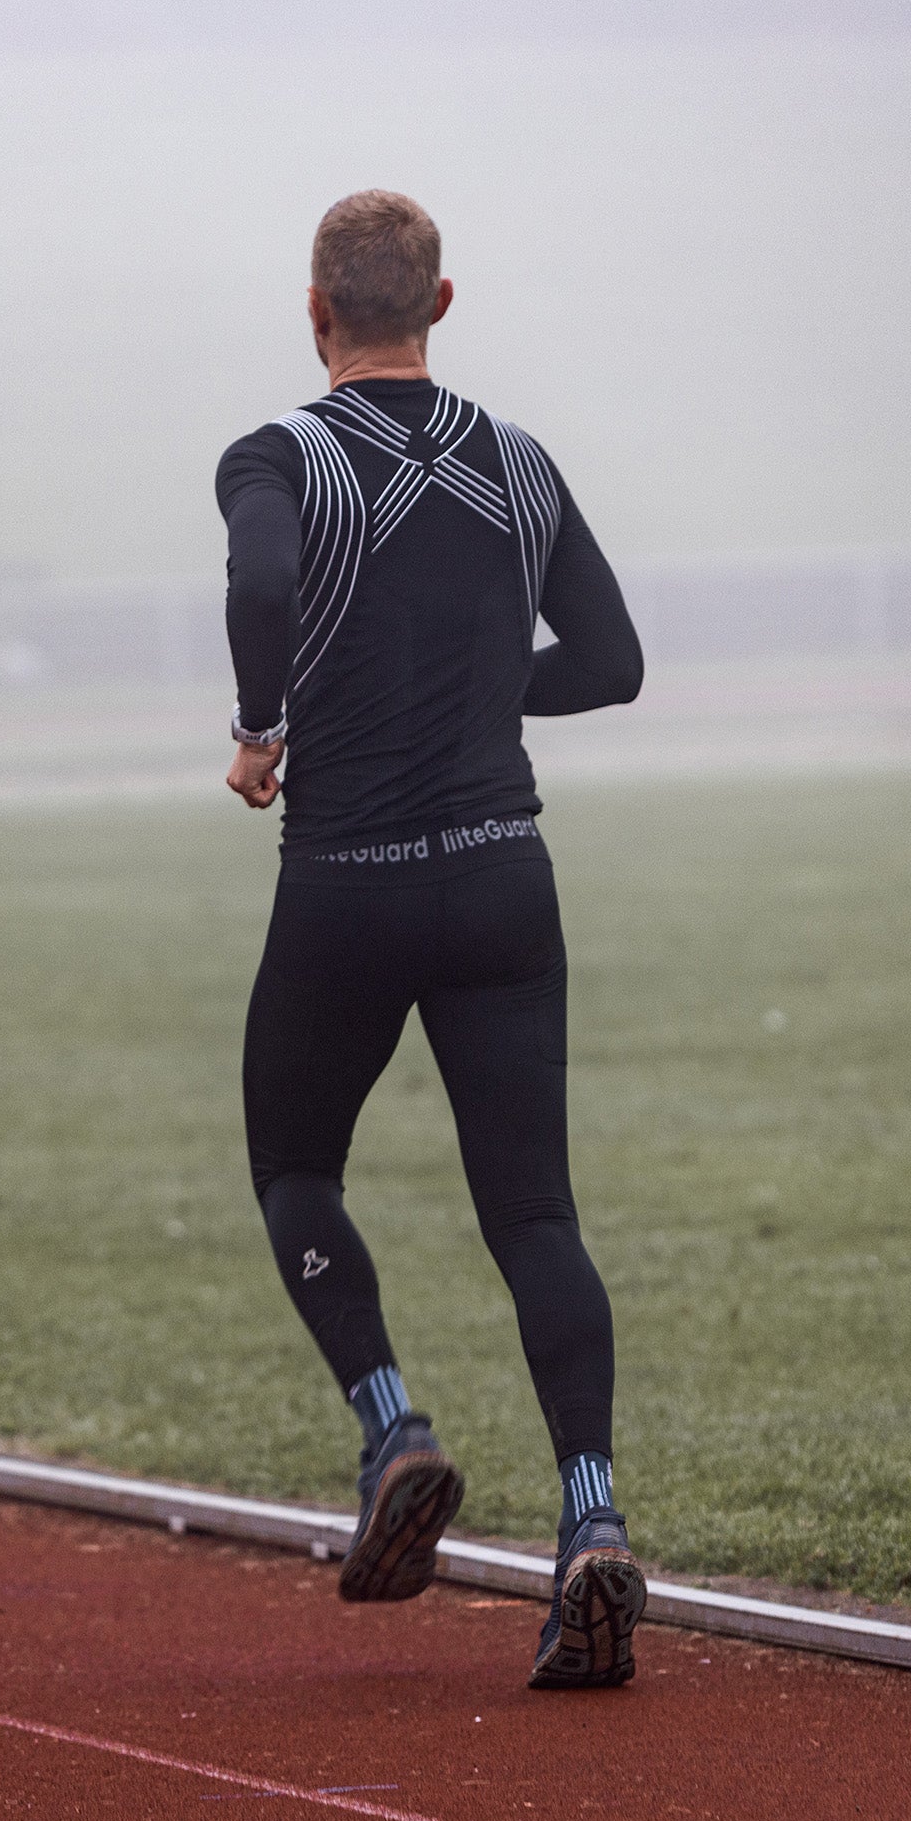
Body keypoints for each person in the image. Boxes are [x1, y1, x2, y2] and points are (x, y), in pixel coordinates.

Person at [215, 190, 646, 1689]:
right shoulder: (516, 463)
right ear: (442, 304)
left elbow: (268, 581)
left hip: (352, 879)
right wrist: (477, 697)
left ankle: (394, 1425)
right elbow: (614, 662)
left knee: (293, 1167)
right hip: (503, 876)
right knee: (536, 1219)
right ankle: (590, 1524)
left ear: (316, 310)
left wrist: (264, 726)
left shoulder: (278, 456)